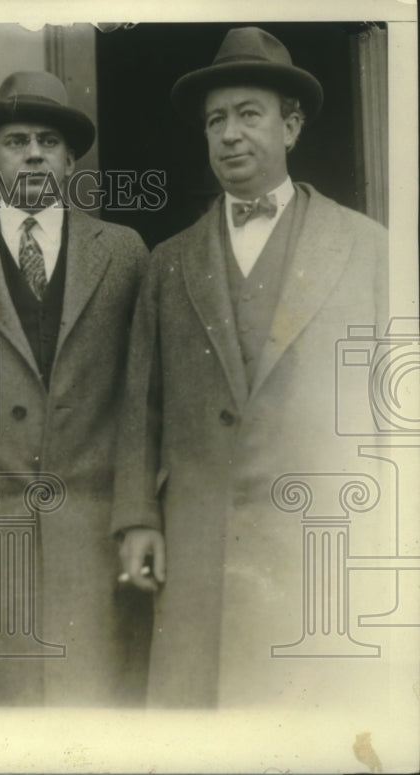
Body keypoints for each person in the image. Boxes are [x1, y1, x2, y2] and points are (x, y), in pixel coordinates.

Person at [112, 27, 389, 707]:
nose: (230, 135)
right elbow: (140, 404)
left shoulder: (367, 247)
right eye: (215, 120)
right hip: (201, 547)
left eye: (248, 114)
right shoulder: (168, 261)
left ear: (291, 127)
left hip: (320, 543)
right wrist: (138, 518)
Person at [0, 71, 150, 705]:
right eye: (16, 140)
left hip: (90, 551)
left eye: (49, 140)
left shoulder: (124, 254)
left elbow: (142, 402)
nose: (35, 153)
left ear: (71, 157)